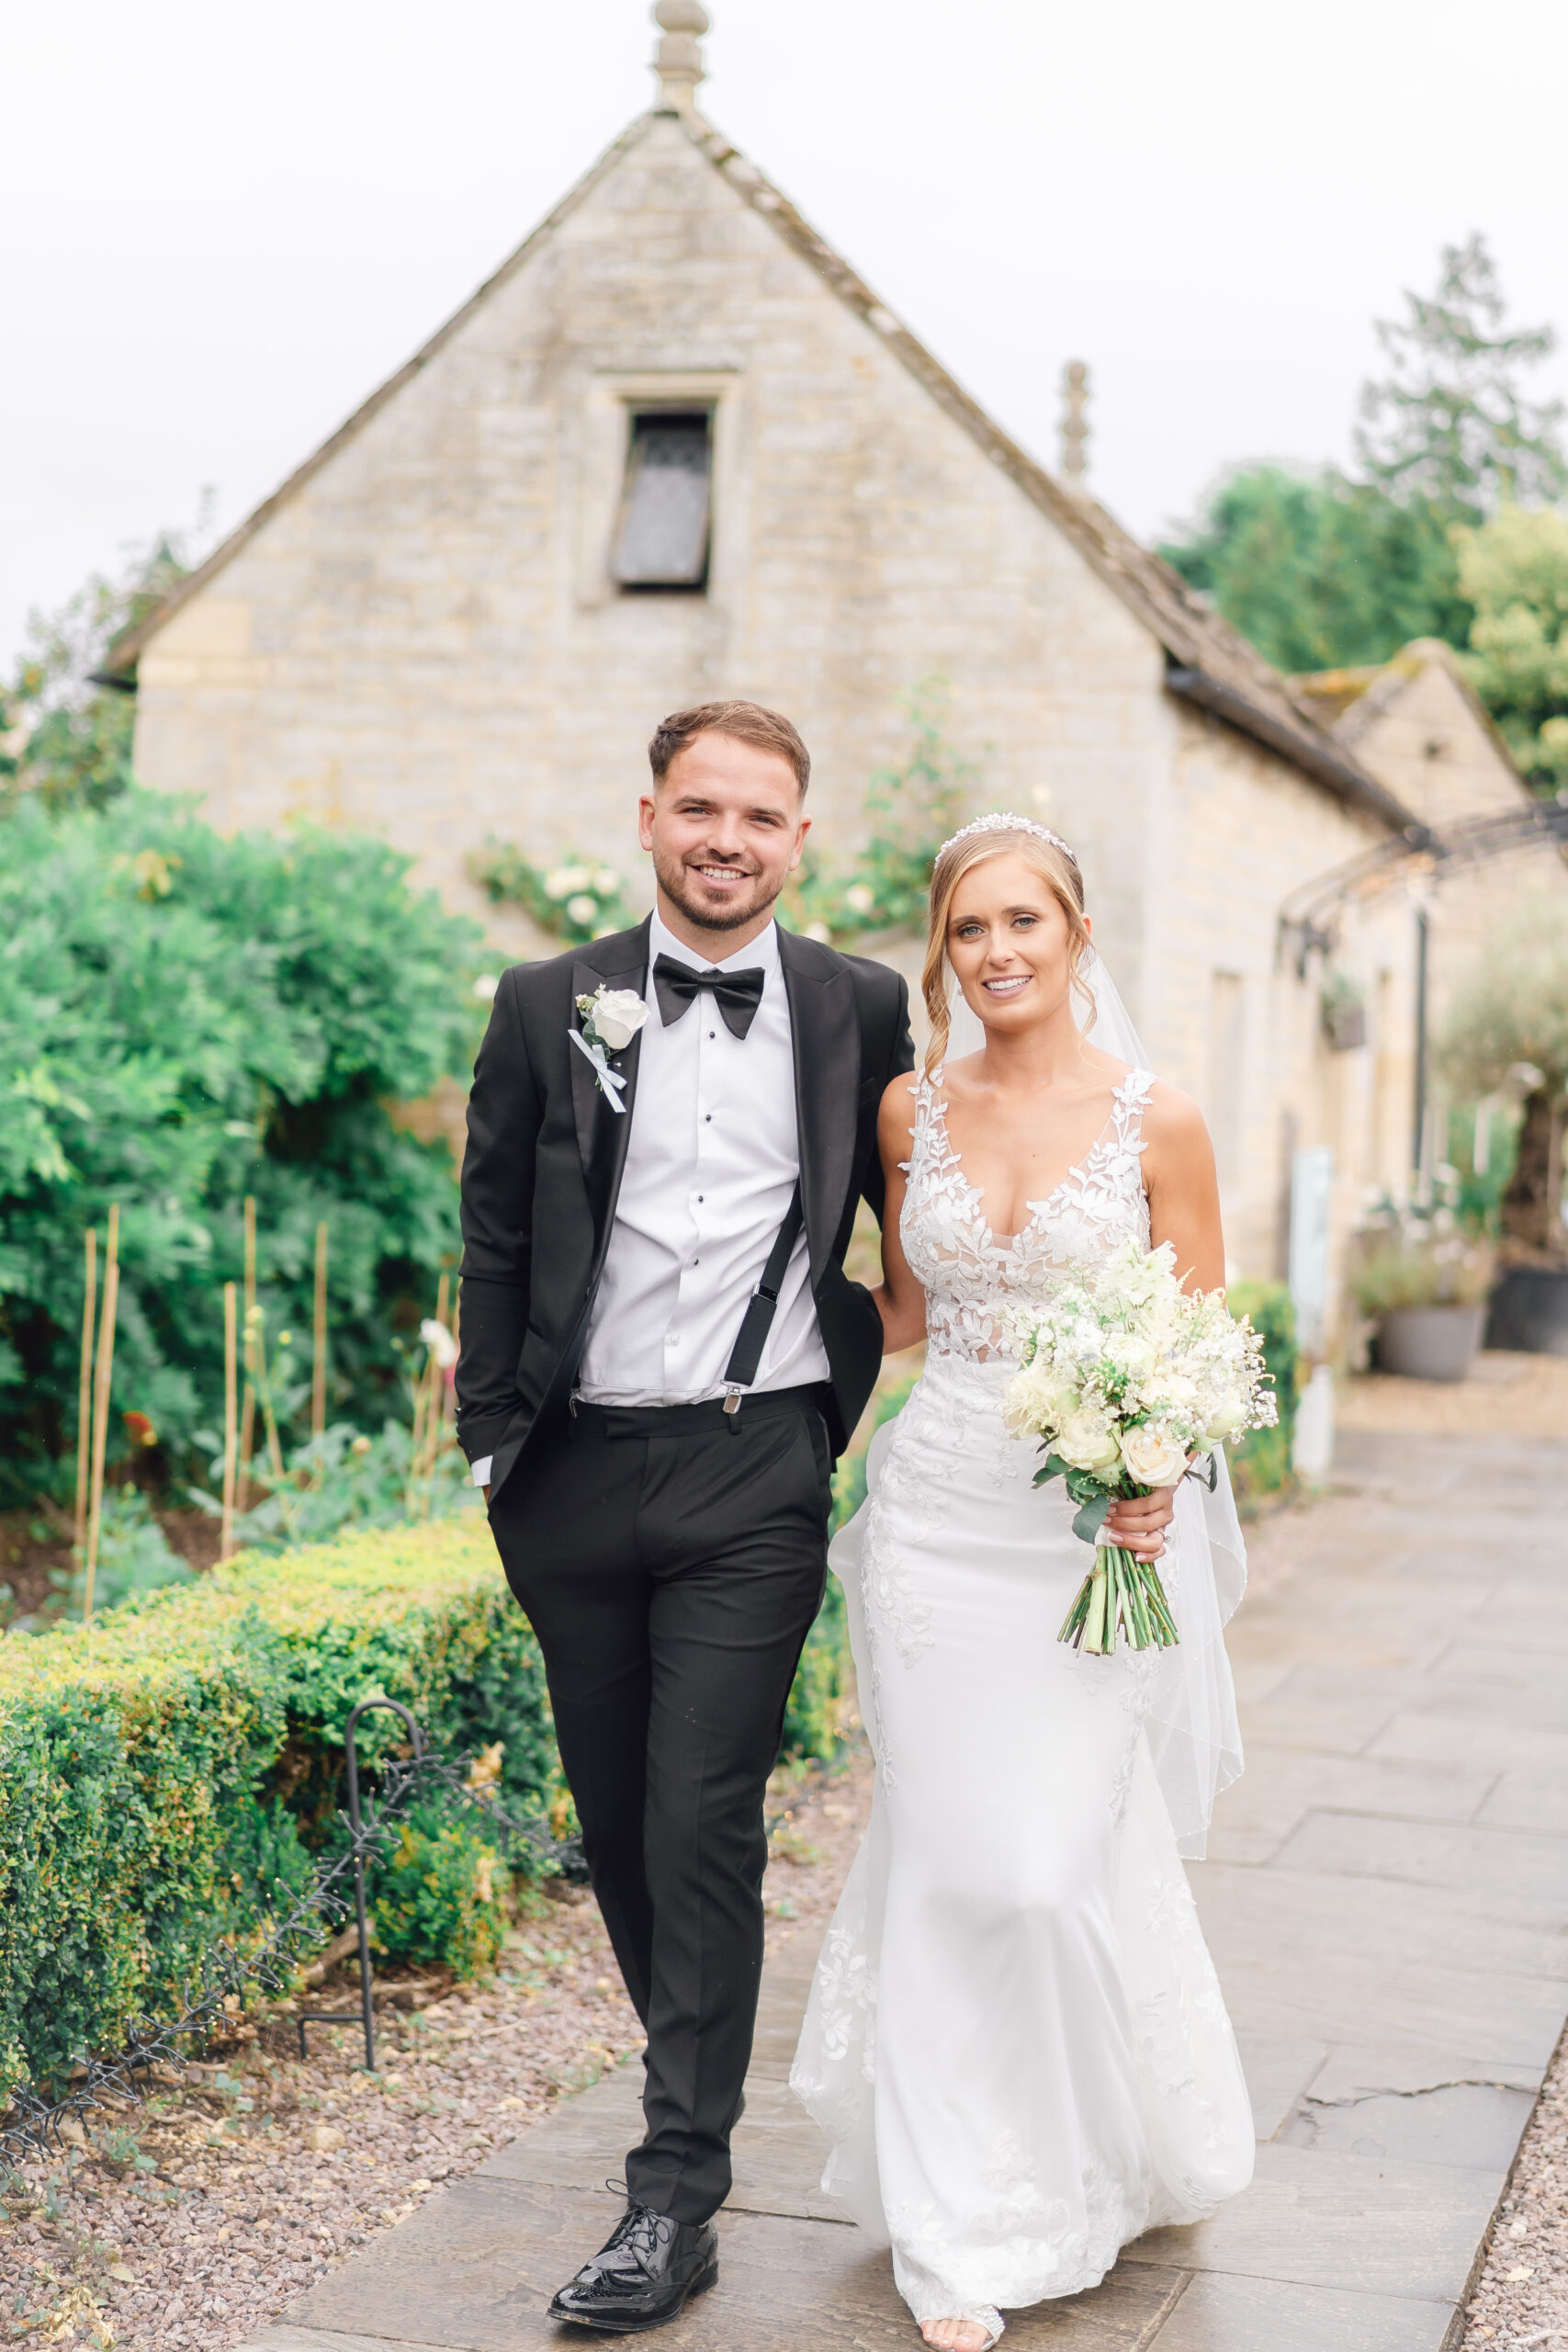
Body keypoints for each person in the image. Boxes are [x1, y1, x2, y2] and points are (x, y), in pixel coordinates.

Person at [455, 701, 915, 2332]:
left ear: (803, 839)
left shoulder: (865, 1007)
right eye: (699, 808)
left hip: (753, 1469)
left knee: (702, 1814)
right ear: (647, 817)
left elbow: (937, 1206)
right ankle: (694, 2066)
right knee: (619, 1829)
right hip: (572, 1472)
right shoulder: (544, 1004)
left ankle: (674, 2196)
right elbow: (496, 1227)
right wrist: (491, 1447)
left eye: (761, 817)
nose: (728, 840)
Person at [791, 814, 1256, 2349]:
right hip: (931, 1523)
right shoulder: (911, 1110)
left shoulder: (1157, 1121)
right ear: (943, 951)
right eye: (967, 931)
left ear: (1076, 935)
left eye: (1022, 924)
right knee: (947, 1855)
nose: (995, 953)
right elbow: (908, 1311)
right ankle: (954, 2219)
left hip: (1077, 1542)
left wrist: (1155, 1473)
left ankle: (1099, 2148)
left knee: (1047, 1867)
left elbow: (1202, 1342)